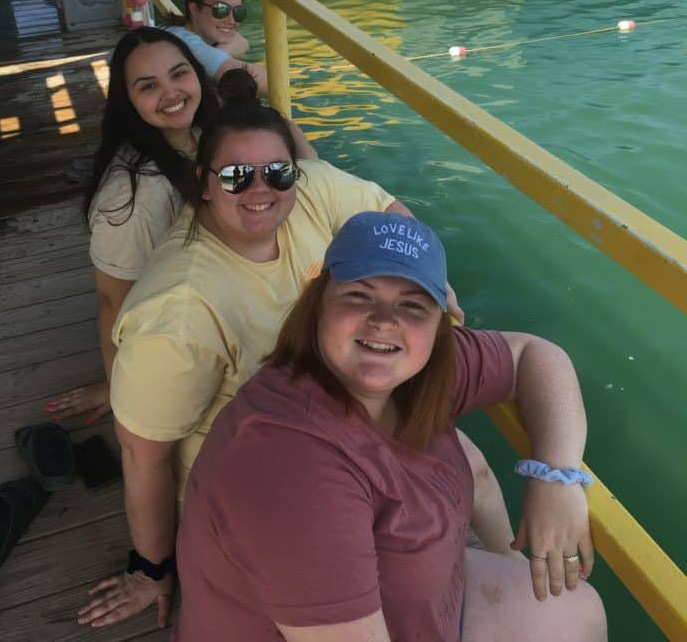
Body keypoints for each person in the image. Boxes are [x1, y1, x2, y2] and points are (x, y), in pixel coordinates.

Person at [76, 91, 503, 632]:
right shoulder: (177, 315)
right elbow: (143, 454)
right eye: (236, 176)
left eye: (277, 173)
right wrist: (151, 568)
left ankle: (517, 568)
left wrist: (433, 285)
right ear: (203, 183)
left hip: (343, 413)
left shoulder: (309, 191)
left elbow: (391, 215)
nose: (261, 189)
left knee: (474, 466)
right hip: (265, 476)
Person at [174, 212, 607, 642]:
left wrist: (557, 475)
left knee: (578, 607)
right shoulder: (290, 466)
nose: (384, 321)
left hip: (418, 599)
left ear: (440, 319)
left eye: (411, 305)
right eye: (359, 295)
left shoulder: (418, 372)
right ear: (318, 302)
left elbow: (535, 355)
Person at [46, 29, 314, 424]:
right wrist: (121, 390)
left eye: (179, 74)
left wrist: (278, 125)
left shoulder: (207, 135)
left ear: (196, 74)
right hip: (182, 334)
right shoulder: (132, 198)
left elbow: (311, 174)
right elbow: (113, 302)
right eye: (148, 86)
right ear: (127, 100)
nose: (171, 93)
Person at [163, 0, 269, 95]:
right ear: (194, 8)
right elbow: (271, 82)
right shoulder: (189, 45)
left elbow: (241, 41)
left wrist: (219, 54)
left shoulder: (177, 30)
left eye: (238, 12)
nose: (232, 21)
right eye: (221, 9)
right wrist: (226, 51)